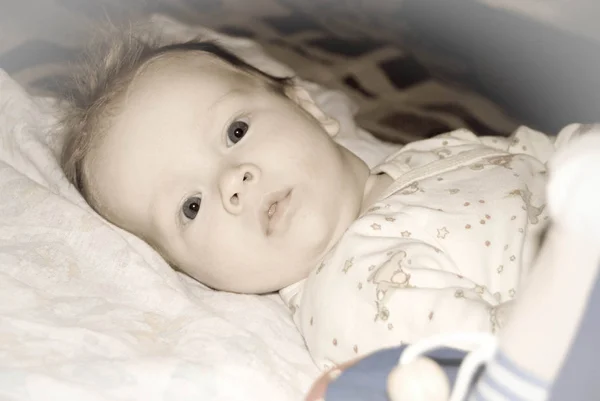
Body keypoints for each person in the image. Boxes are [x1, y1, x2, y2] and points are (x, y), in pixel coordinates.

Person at [59, 33, 581, 369]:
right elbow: (515, 365)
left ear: (307, 106)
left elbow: (548, 153)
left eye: (235, 130)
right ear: (193, 274)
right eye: (190, 206)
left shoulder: (433, 152)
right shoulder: (356, 296)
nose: (231, 182)